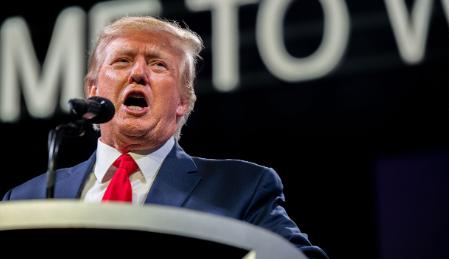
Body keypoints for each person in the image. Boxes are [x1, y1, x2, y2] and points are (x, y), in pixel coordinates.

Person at [2, 16, 328, 259]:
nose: (138, 73)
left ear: (183, 102)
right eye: (123, 61)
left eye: (159, 65)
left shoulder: (241, 188)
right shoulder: (24, 200)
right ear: (93, 90)